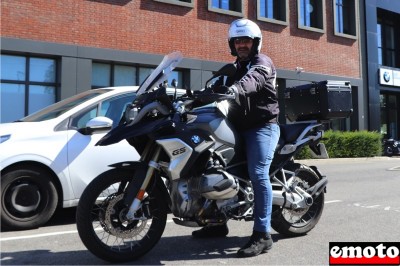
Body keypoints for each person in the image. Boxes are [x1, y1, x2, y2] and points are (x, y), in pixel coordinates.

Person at [191, 18, 280, 258]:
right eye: (238, 41)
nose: (242, 45)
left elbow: (253, 80)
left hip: (263, 127)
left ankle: (263, 234)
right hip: (235, 127)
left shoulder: (262, 63)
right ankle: (217, 223)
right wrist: (193, 97)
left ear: (255, 42)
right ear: (232, 44)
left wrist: (235, 90)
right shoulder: (232, 68)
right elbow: (215, 87)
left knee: (258, 173)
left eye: (246, 40)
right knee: (209, 166)